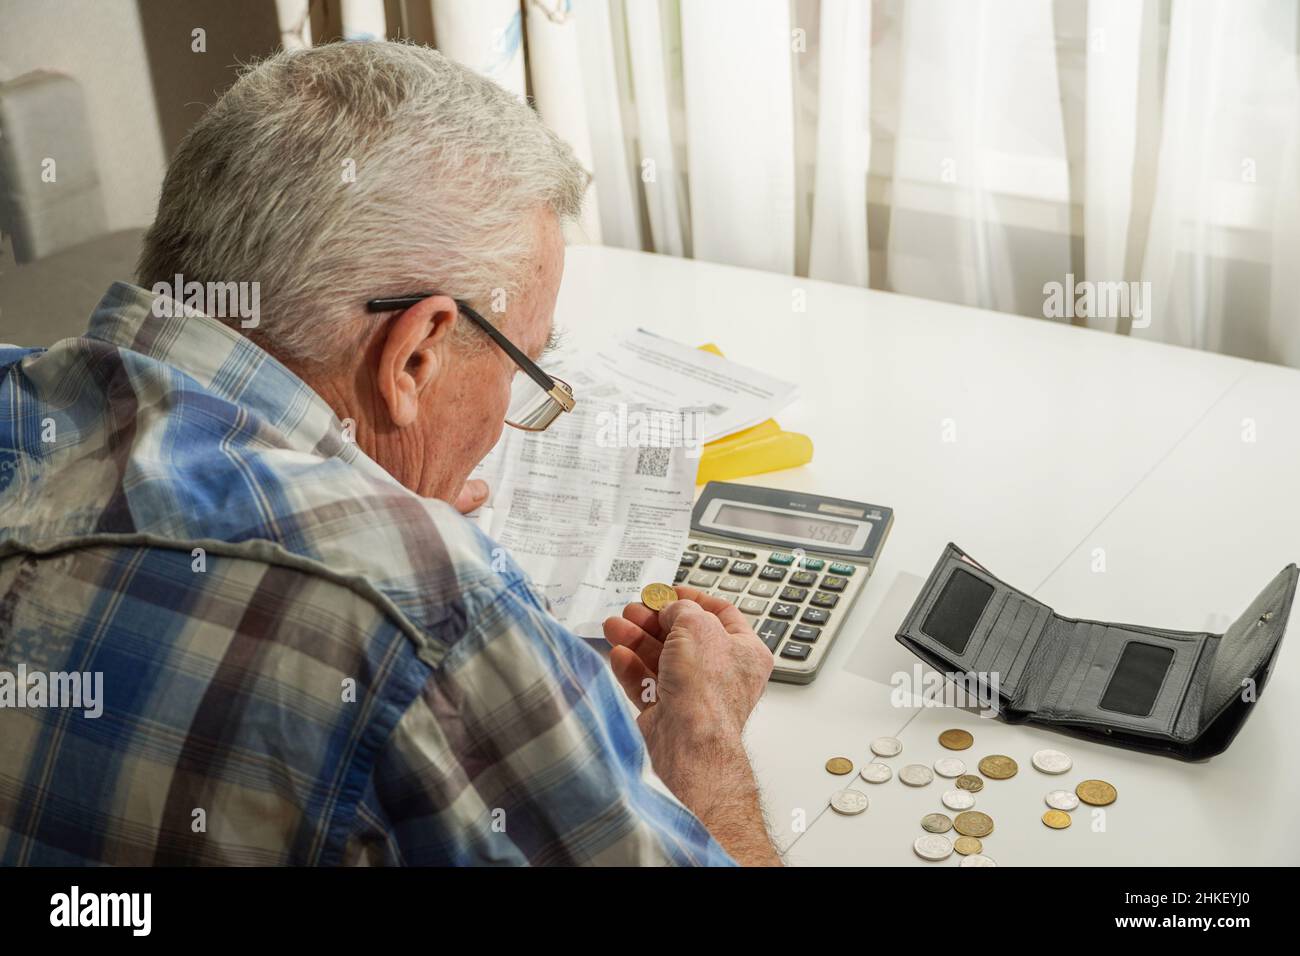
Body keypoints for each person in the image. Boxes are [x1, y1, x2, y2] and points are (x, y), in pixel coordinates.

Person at [0, 41, 779, 866]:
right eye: (525, 363)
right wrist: (706, 753)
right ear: (415, 355)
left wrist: (353, 507)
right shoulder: (436, 617)